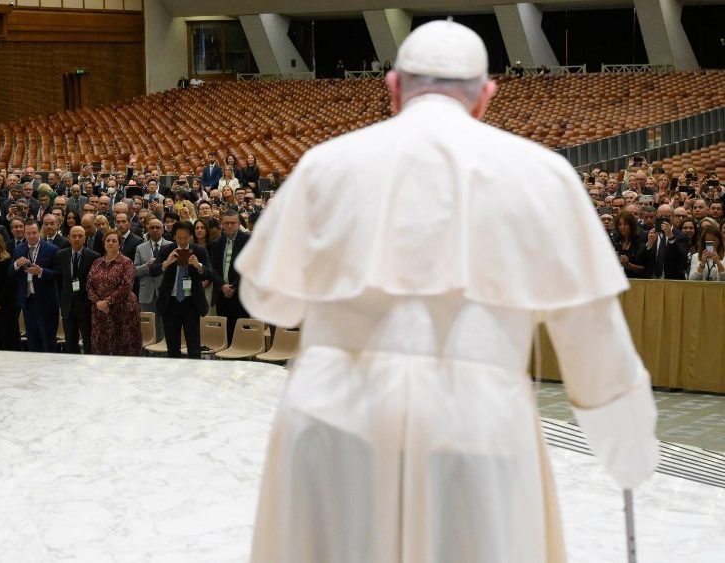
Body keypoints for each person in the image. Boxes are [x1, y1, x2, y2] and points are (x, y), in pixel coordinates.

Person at [235, 20, 658, 563]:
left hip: (334, 419)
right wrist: (628, 452)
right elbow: (594, 344)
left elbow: (269, 301)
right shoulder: (543, 173)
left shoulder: (326, 163)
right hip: (475, 422)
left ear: (393, 89)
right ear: (485, 97)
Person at [154, 221, 212, 359]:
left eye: (185, 238)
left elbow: (209, 273)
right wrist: (166, 263)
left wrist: (198, 265)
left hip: (191, 302)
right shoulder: (166, 250)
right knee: (172, 348)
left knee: (194, 348)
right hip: (170, 302)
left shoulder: (199, 250)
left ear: (191, 236)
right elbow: (153, 271)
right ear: (174, 236)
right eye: (179, 238)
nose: (182, 241)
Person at [87, 230, 143, 356]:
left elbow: (126, 286)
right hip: (100, 311)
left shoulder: (126, 262)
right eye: (108, 240)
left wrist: (107, 301)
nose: (110, 243)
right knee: (102, 346)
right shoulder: (97, 262)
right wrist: (99, 302)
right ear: (104, 243)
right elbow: (89, 285)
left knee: (124, 346)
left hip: (123, 310)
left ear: (119, 244)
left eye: (114, 241)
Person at [12, 221, 60, 352]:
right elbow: (10, 273)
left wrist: (41, 272)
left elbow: (58, 274)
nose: (31, 236)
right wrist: (16, 264)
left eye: (34, 233)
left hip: (46, 302)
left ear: (40, 232)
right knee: (32, 340)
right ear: (24, 234)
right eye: (28, 233)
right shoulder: (19, 249)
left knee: (48, 340)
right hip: (28, 301)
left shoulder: (52, 249)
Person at [55, 226, 99, 354]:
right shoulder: (61, 255)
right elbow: (59, 280)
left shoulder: (94, 257)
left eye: (80, 236)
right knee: (70, 341)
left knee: (89, 340)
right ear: (68, 238)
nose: (77, 239)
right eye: (74, 236)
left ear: (85, 238)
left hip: (86, 306)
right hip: (68, 306)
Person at [209, 209, 250, 344]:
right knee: (225, 334)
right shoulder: (216, 243)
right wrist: (222, 286)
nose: (230, 226)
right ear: (222, 224)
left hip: (240, 294)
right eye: (227, 223)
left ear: (239, 224)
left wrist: (232, 287)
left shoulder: (248, 240)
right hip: (222, 294)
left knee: (241, 333)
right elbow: (212, 268)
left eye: (233, 223)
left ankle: (243, 362)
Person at [134, 218, 171, 339]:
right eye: (152, 228)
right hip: (146, 292)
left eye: (158, 227)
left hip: (165, 291)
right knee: (148, 327)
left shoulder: (170, 246)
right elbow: (134, 271)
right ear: (147, 229)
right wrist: (147, 266)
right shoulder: (140, 247)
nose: (155, 230)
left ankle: (165, 352)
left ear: (163, 229)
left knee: (165, 324)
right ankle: (149, 353)